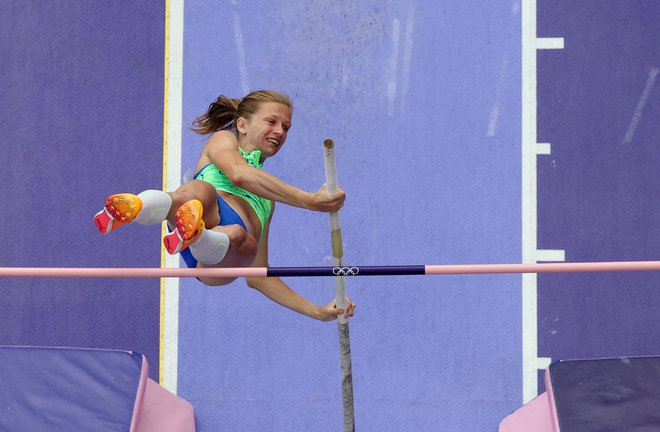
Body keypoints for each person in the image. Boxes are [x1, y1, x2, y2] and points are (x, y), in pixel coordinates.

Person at [94, 90, 355, 321]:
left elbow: (255, 276)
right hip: (201, 213)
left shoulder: (269, 199)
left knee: (241, 237)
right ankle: (138, 206)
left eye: (286, 127)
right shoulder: (223, 140)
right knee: (199, 191)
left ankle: (196, 233)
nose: (280, 131)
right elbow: (239, 174)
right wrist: (310, 201)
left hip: (218, 262)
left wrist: (316, 311)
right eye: (272, 121)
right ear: (242, 124)